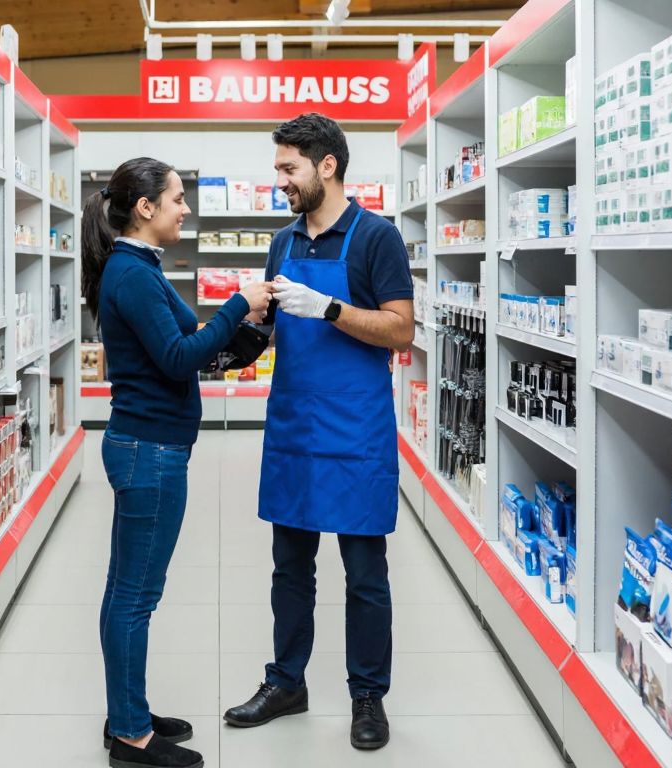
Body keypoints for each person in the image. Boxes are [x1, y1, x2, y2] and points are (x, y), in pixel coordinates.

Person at [223, 113, 414, 751]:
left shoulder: (376, 238)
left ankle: (368, 696)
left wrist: (328, 308)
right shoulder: (282, 243)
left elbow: (400, 329)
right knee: (289, 567)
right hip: (296, 426)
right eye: (279, 168)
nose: (280, 180)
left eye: (288, 168)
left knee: (364, 572)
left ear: (326, 166)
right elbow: (276, 326)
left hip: (356, 429)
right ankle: (287, 682)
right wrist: (235, 343)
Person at [85, 157, 274, 768]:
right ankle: (131, 738)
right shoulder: (133, 274)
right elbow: (174, 356)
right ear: (145, 207)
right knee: (136, 595)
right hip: (150, 452)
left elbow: (192, 344)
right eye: (176, 198)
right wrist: (235, 304)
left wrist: (248, 330)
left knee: (129, 590)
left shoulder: (139, 267)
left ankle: (127, 712)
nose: (184, 208)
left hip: (147, 446)